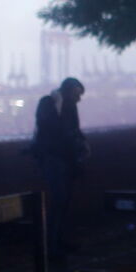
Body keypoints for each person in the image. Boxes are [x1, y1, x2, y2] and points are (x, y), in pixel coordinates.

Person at [33, 77, 89, 260]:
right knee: (58, 201)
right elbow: (52, 127)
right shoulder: (49, 103)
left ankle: (60, 240)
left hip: (67, 159)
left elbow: (74, 129)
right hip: (54, 158)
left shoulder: (70, 105)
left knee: (64, 202)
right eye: (77, 94)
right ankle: (52, 245)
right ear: (69, 90)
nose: (79, 99)